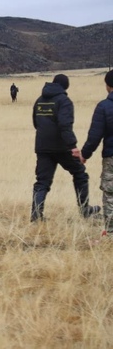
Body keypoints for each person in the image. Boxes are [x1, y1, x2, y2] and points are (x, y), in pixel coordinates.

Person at [31, 73, 100, 221]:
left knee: (42, 181)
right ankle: (85, 210)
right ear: (65, 87)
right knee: (80, 174)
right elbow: (65, 125)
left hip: (42, 147)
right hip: (62, 148)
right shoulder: (64, 101)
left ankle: (36, 215)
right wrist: (73, 146)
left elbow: (35, 124)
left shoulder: (39, 101)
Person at [80, 70, 113, 235]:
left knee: (110, 193)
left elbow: (94, 136)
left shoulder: (104, 107)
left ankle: (112, 231)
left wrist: (84, 154)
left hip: (111, 157)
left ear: (108, 86)